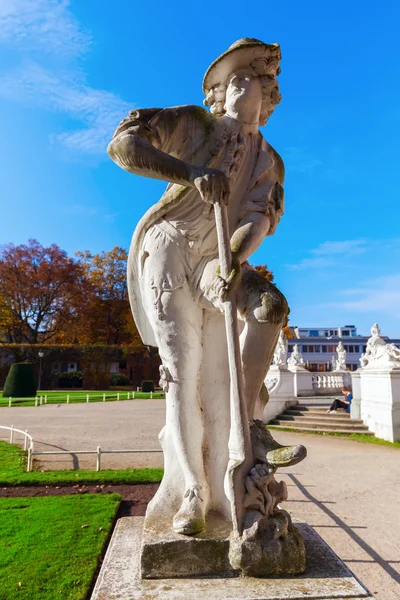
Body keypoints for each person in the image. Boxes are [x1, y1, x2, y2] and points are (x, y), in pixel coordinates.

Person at [108, 38, 299, 536]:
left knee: (270, 309)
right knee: (183, 367)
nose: (236, 88)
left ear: (268, 95)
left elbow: (257, 218)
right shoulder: (195, 123)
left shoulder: (271, 162)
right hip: (169, 244)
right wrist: (191, 173)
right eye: (230, 81)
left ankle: (251, 423)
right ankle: (192, 490)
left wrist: (233, 260)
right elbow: (123, 145)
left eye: (248, 81)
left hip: (221, 254)